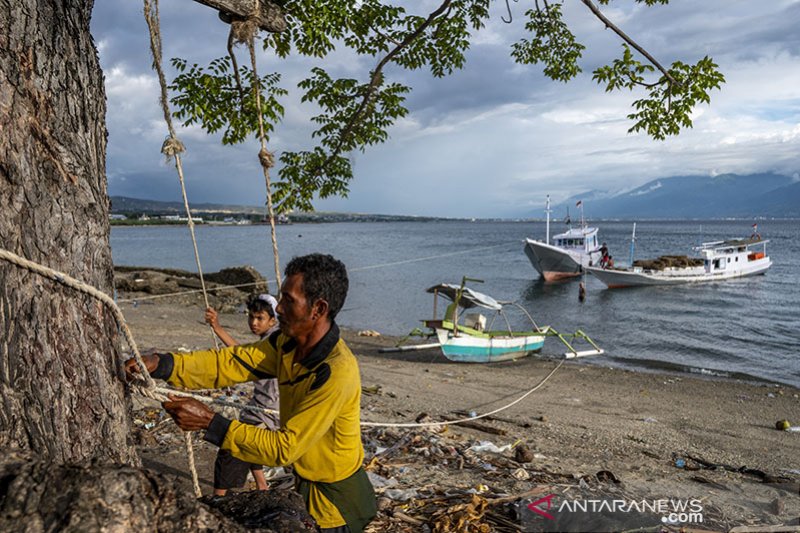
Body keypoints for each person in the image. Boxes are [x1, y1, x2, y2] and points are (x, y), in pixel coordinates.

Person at [126, 254, 376, 533]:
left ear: (317, 309)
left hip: (338, 506)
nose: (278, 308)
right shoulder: (286, 344)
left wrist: (211, 423)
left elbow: (284, 447)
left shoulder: (335, 371)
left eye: (289, 300)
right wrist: (164, 364)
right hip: (309, 490)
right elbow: (230, 363)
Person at [205, 293, 280, 496]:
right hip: (259, 408)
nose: (253, 323)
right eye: (251, 317)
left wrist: (218, 328)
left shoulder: (275, 340)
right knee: (248, 441)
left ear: (272, 320)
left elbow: (240, 355)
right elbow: (242, 353)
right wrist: (217, 328)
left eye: (260, 318)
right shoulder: (271, 339)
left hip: (269, 413)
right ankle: (262, 485)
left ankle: (218, 499)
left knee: (231, 448)